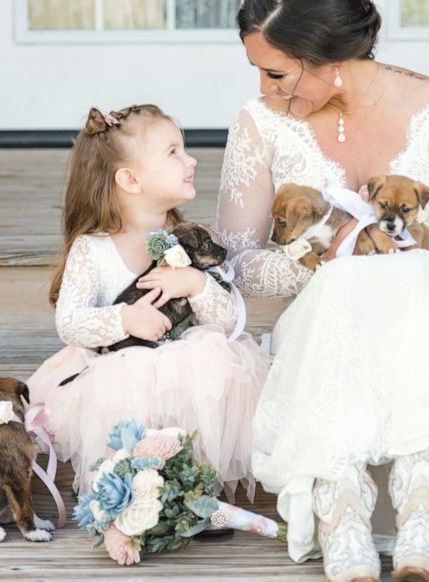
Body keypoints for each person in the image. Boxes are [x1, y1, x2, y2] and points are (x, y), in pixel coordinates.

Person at [216, 0, 429, 582]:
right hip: (323, 329)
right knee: (362, 278)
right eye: (259, 74)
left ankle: (421, 509)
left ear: (329, 57)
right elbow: (235, 266)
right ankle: (342, 509)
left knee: (414, 273)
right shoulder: (259, 124)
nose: (266, 90)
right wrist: (330, 251)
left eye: (276, 74)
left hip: (424, 323)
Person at [27, 104, 269, 502]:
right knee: (127, 398)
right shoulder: (93, 250)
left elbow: (226, 324)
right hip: (116, 373)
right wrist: (126, 318)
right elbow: (69, 323)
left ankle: (194, 492)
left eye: (184, 149)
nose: (190, 159)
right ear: (130, 179)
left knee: (217, 369)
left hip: (190, 370)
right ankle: (139, 494)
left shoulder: (188, 239)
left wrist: (195, 284)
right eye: (173, 152)